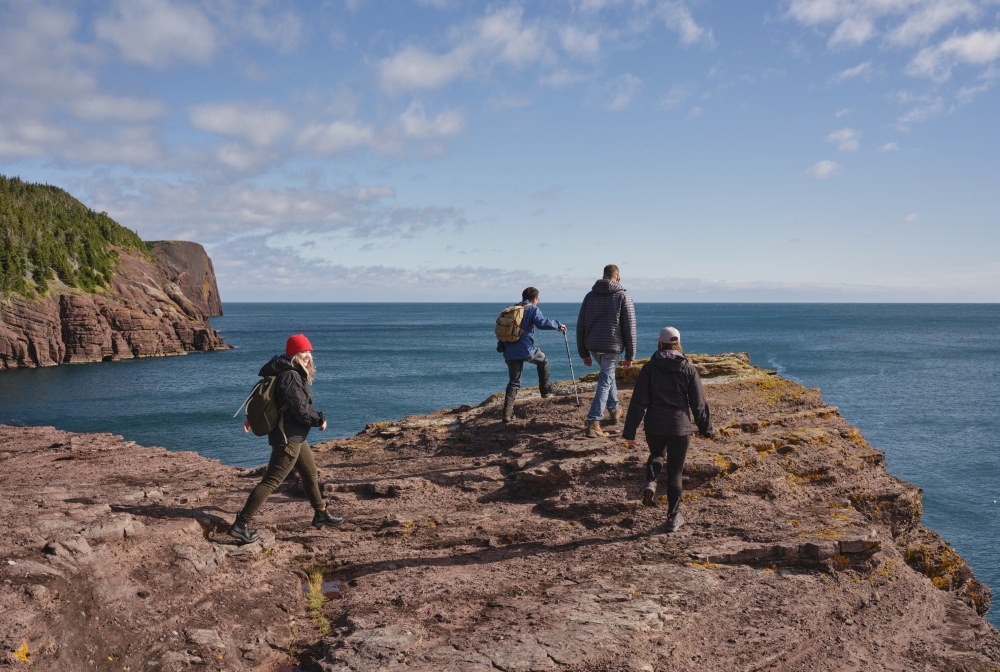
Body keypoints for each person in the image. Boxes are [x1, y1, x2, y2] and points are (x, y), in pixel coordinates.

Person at [228, 334, 343, 544]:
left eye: (309, 351)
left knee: (310, 474)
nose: (307, 356)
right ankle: (240, 525)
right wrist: (320, 419)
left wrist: (251, 418)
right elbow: (301, 410)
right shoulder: (290, 376)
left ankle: (321, 513)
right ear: (292, 354)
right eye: (302, 352)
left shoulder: (286, 372)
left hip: (296, 436)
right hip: (287, 438)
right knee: (271, 481)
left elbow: (273, 401)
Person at [622, 327, 713, 533]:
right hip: (680, 428)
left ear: (660, 344)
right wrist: (705, 429)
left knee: (656, 454)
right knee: (675, 472)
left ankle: (651, 481)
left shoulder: (649, 368)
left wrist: (630, 433)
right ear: (678, 344)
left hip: (654, 426)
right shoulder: (688, 369)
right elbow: (699, 403)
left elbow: (638, 402)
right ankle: (672, 518)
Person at [576, 264, 637, 438]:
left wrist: (583, 352)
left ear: (603, 277)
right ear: (617, 277)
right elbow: (630, 327)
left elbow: (581, 325)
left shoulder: (589, 296)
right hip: (611, 346)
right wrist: (630, 355)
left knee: (607, 376)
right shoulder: (623, 296)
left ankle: (614, 409)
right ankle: (594, 421)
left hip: (593, 346)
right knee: (605, 380)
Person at [499, 287, 567, 423]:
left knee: (514, 382)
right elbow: (542, 323)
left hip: (510, 351)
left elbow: (503, 332)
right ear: (534, 298)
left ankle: (507, 414)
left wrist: (505, 352)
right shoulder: (532, 309)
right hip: (526, 349)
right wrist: (558, 325)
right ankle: (545, 389)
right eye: (538, 299)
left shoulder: (510, 310)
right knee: (542, 359)